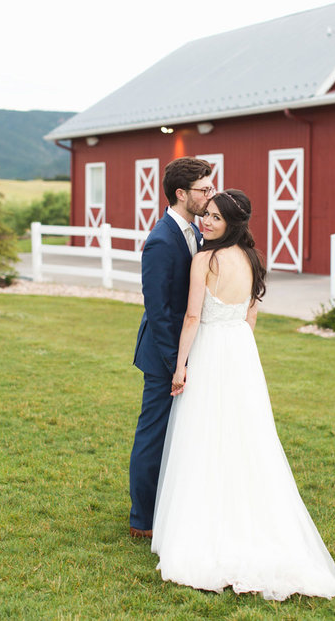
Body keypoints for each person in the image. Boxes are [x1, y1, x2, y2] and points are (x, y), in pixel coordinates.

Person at [151, 189, 335, 602]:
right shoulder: (252, 258)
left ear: (232, 224)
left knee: (204, 434)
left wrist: (181, 365)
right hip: (241, 352)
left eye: (215, 219)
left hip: (210, 349)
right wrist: (239, 349)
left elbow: (192, 315)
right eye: (205, 214)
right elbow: (251, 313)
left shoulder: (205, 259)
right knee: (245, 437)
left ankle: (205, 528)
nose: (205, 222)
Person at [129, 156, 215, 539]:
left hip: (186, 351)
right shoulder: (162, 240)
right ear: (182, 194)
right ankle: (142, 520)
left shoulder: (196, 232)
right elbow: (160, 310)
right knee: (154, 434)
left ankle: (174, 505)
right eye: (204, 190)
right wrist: (173, 364)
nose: (210, 196)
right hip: (164, 354)